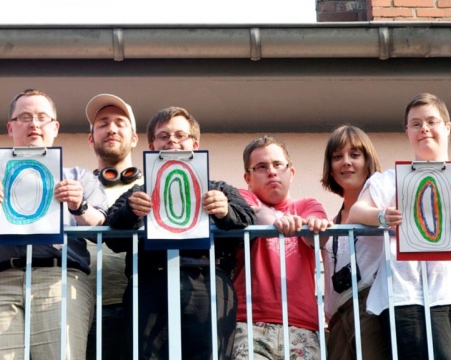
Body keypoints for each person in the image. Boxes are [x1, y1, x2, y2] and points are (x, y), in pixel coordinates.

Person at [0, 88, 107, 360]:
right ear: (11, 127)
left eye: (42, 117)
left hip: (60, 279)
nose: (34, 124)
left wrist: (78, 206)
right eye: (24, 117)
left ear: (55, 127)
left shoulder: (78, 176)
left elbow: (102, 226)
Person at [348, 93, 451, 360]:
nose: (424, 129)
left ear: (447, 127)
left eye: (431, 121)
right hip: (407, 290)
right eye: (415, 124)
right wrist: (382, 216)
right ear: (407, 131)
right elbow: (357, 211)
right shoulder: (388, 179)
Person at [104, 106, 255, 359]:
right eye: (163, 136)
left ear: (194, 144)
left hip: (208, 284)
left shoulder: (218, 188)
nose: (172, 140)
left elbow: (248, 223)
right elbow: (112, 237)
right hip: (149, 285)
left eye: (180, 135)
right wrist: (130, 212)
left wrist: (225, 211)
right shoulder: (138, 191)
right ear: (152, 147)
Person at [231, 135, 331, 360]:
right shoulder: (241, 198)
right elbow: (258, 216)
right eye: (262, 167)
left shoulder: (308, 205)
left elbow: (318, 239)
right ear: (248, 177)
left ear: (291, 173)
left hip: (303, 326)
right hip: (250, 323)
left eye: (278, 165)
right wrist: (277, 221)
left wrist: (313, 225)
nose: (272, 172)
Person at [318, 125, 386, 360]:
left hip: (371, 310)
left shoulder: (383, 209)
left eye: (355, 155)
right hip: (338, 319)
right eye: (337, 157)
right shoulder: (330, 223)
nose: (346, 162)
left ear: (368, 161)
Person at [82, 94, 142, 360]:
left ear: (135, 138)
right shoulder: (75, 190)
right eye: (103, 123)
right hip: (84, 306)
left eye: (120, 122)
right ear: (91, 138)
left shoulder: (150, 189)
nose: (112, 129)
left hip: (142, 306)